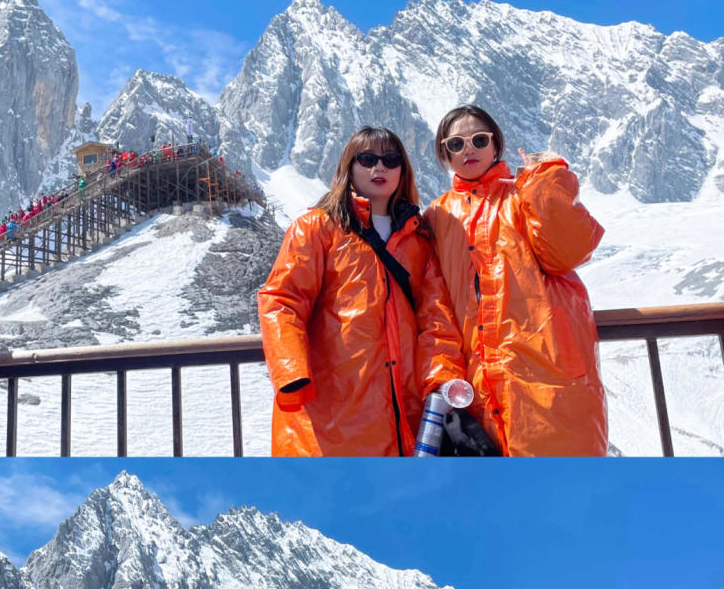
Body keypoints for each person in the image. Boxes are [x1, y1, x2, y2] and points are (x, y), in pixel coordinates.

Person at [258, 126, 466, 456]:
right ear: (349, 166)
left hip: (405, 412)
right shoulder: (317, 228)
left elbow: (435, 319)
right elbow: (283, 301)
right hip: (331, 413)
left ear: (403, 170)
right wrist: (292, 374)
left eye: (391, 159)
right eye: (367, 159)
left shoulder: (418, 241)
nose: (379, 167)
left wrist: (442, 381)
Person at [425, 105, 608, 456]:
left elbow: (567, 252)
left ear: (496, 145)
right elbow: (435, 307)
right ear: (444, 154)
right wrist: (444, 378)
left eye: (479, 140)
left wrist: (547, 183)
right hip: (476, 388)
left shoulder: (526, 195)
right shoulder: (437, 216)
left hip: (548, 377)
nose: (469, 149)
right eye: (456, 144)